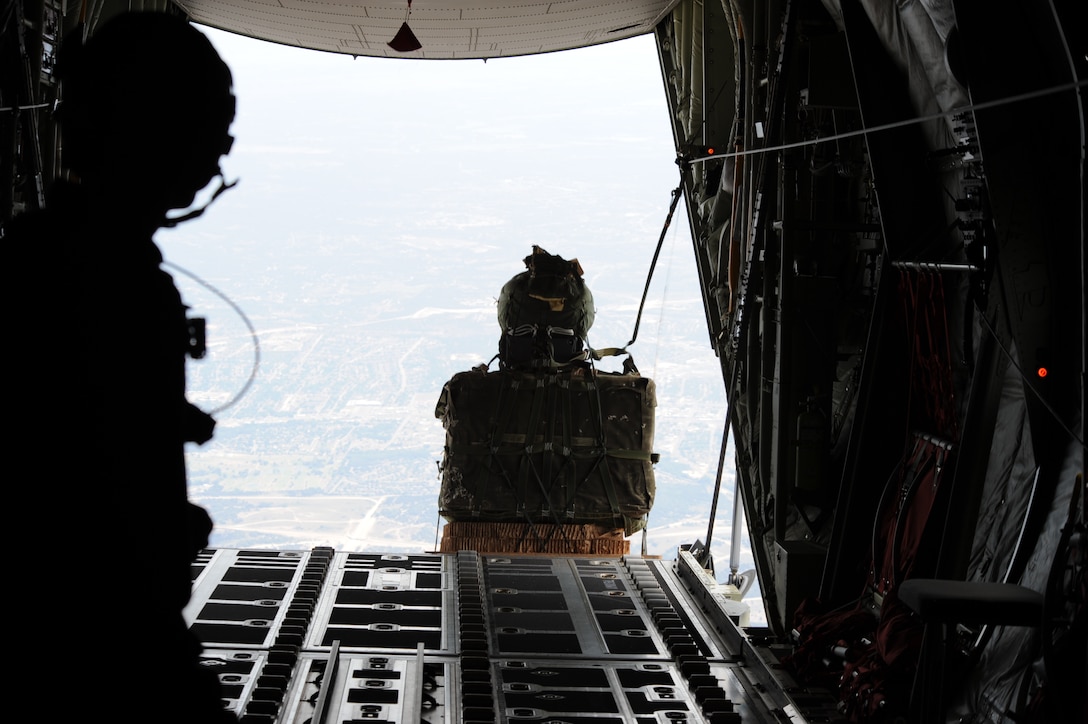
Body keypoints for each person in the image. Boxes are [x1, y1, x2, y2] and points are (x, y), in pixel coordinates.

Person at [7, 11, 237, 721]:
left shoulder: (46, 257)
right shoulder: (115, 283)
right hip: (101, 638)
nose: (219, 152)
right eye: (208, 129)